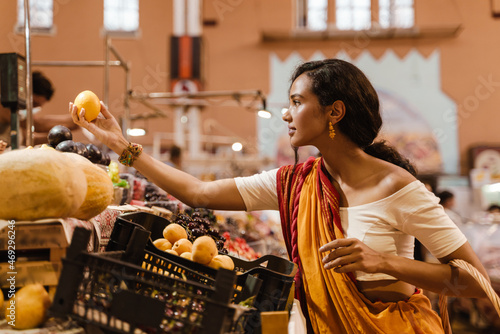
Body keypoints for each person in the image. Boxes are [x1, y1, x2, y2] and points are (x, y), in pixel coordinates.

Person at [71, 58, 490, 333]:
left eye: (296, 101)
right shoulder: (294, 182)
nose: (286, 114)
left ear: (334, 112)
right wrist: (123, 147)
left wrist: (386, 262)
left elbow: (477, 282)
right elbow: (197, 191)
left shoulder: (398, 188)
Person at [0, 71, 78, 147]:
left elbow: (29, 139)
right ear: (24, 92)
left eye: (36, 106)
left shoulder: (17, 118)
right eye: (34, 103)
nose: (32, 108)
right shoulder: (4, 106)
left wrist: (59, 137)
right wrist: (76, 120)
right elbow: (38, 124)